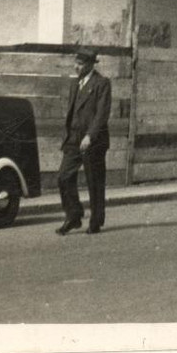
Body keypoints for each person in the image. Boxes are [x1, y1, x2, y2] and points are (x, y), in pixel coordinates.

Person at [56, 48, 111, 236]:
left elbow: (102, 114)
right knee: (63, 176)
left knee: (94, 181)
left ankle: (95, 220)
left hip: (92, 140)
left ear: (89, 65)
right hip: (73, 138)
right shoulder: (75, 84)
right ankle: (74, 215)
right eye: (75, 63)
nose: (76, 67)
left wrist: (90, 136)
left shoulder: (102, 83)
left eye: (79, 64)